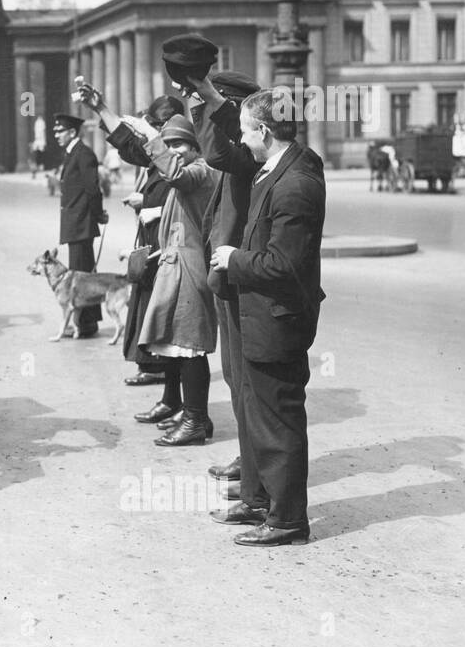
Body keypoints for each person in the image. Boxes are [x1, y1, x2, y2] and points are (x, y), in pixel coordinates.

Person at [209, 89, 326, 547]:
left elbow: (284, 265)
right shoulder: (276, 169)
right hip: (262, 315)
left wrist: (234, 259)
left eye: (244, 131)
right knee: (260, 415)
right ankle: (261, 503)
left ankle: (288, 521)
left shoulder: (295, 182)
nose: (242, 140)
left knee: (279, 422)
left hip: (279, 319)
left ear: (263, 130)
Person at [91, 92, 220, 445]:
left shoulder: (200, 171)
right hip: (174, 267)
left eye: (180, 143)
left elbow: (175, 174)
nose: (174, 149)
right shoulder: (190, 171)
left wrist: (153, 136)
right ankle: (191, 415)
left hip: (189, 272)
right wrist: (103, 109)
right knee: (176, 345)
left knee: (189, 347)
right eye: (170, 143)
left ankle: (195, 419)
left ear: (195, 147)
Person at [189, 70, 263, 484]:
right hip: (225, 274)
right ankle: (248, 455)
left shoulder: (247, 157)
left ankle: (255, 463)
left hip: (240, 275)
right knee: (235, 378)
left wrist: (207, 101)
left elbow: (216, 154)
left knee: (245, 378)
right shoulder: (237, 154)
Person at [90, 92, 182, 386]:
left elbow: (190, 192)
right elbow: (129, 147)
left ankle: (162, 369)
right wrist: (102, 108)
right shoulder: (159, 150)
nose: (150, 131)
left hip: (168, 239)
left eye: (155, 124)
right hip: (151, 235)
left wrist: (154, 207)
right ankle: (152, 364)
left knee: (159, 302)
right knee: (145, 296)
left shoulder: (180, 153)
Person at [51, 112, 105, 337]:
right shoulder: (74, 153)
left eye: (59, 131)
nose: (56, 135)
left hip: (81, 224)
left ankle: (86, 324)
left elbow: (93, 189)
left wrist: (99, 215)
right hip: (76, 224)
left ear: (72, 132)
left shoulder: (83, 154)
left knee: (82, 276)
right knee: (82, 275)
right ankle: (84, 322)